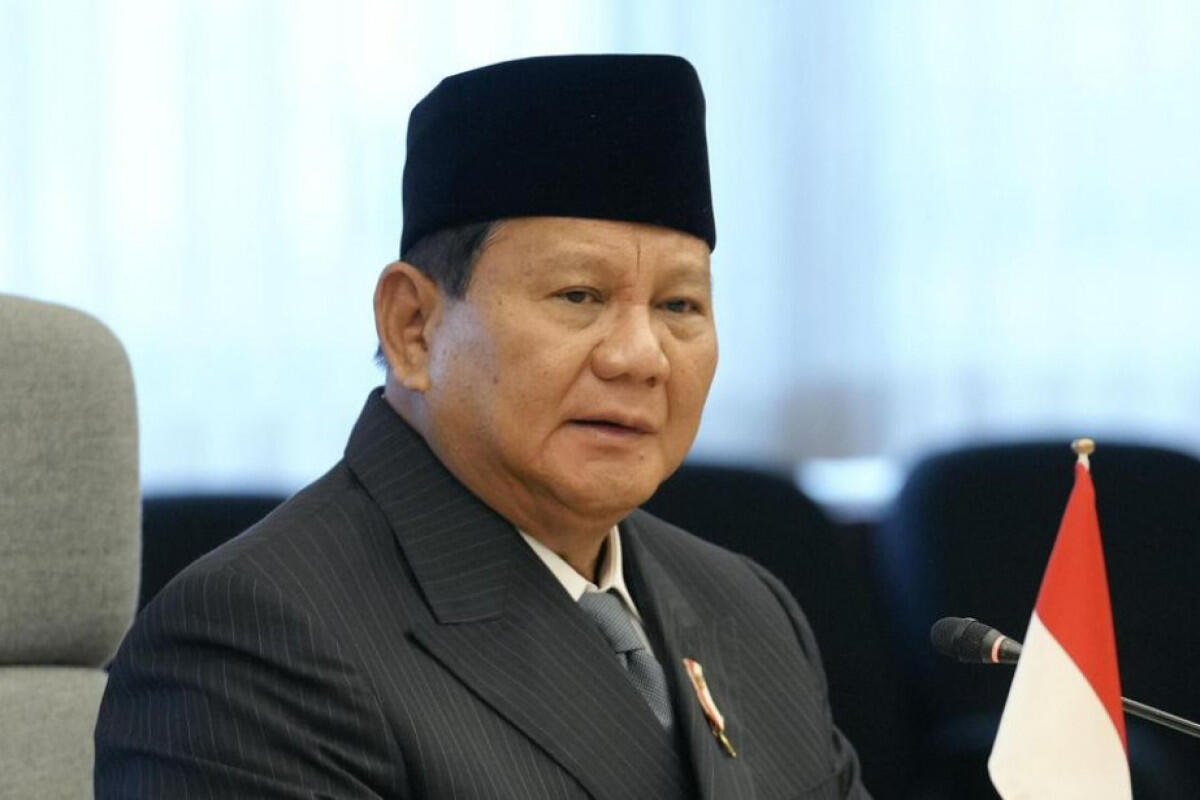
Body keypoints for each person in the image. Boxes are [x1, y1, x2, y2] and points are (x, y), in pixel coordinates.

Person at [95, 54, 869, 799]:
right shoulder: (253, 642)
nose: (641, 357)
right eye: (579, 296)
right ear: (413, 327)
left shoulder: (748, 607)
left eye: (679, 305)